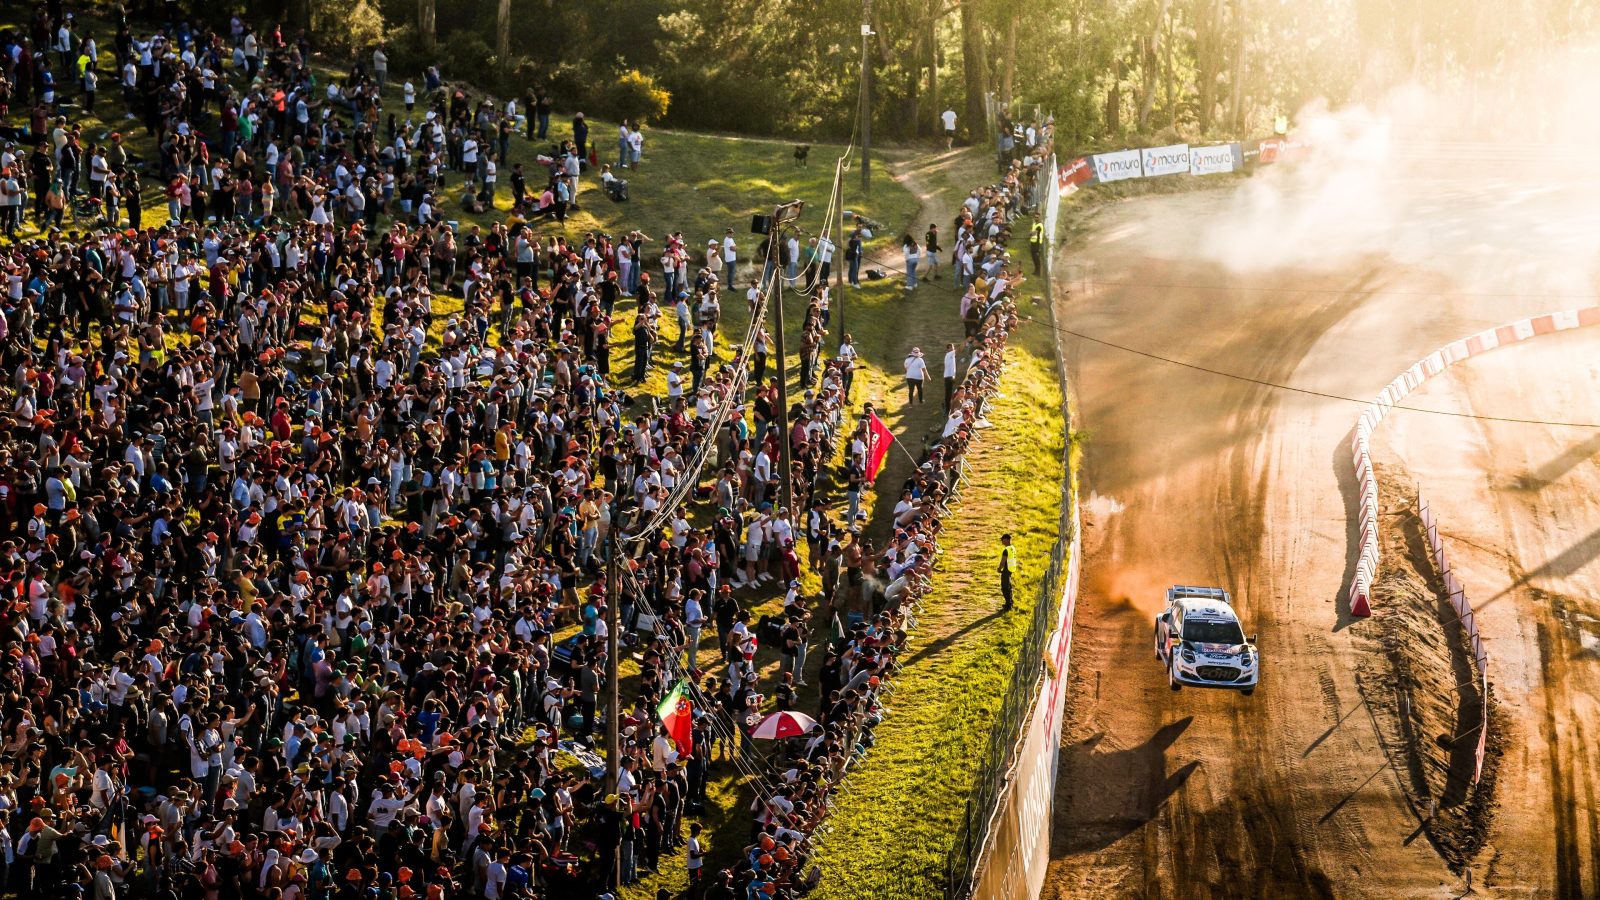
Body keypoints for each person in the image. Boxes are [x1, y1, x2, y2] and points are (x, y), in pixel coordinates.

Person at [999, 533, 1017, 609]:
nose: (1002, 541)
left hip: (1007, 569)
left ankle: (1008, 604)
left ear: (1006, 540)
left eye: (1002, 540)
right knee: (1008, 586)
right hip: (1011, 569)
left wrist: (999, 568)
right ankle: (1010, 602)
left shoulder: (1006, 550)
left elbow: (1003, 562)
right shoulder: (1012, 548)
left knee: (1005, 587)